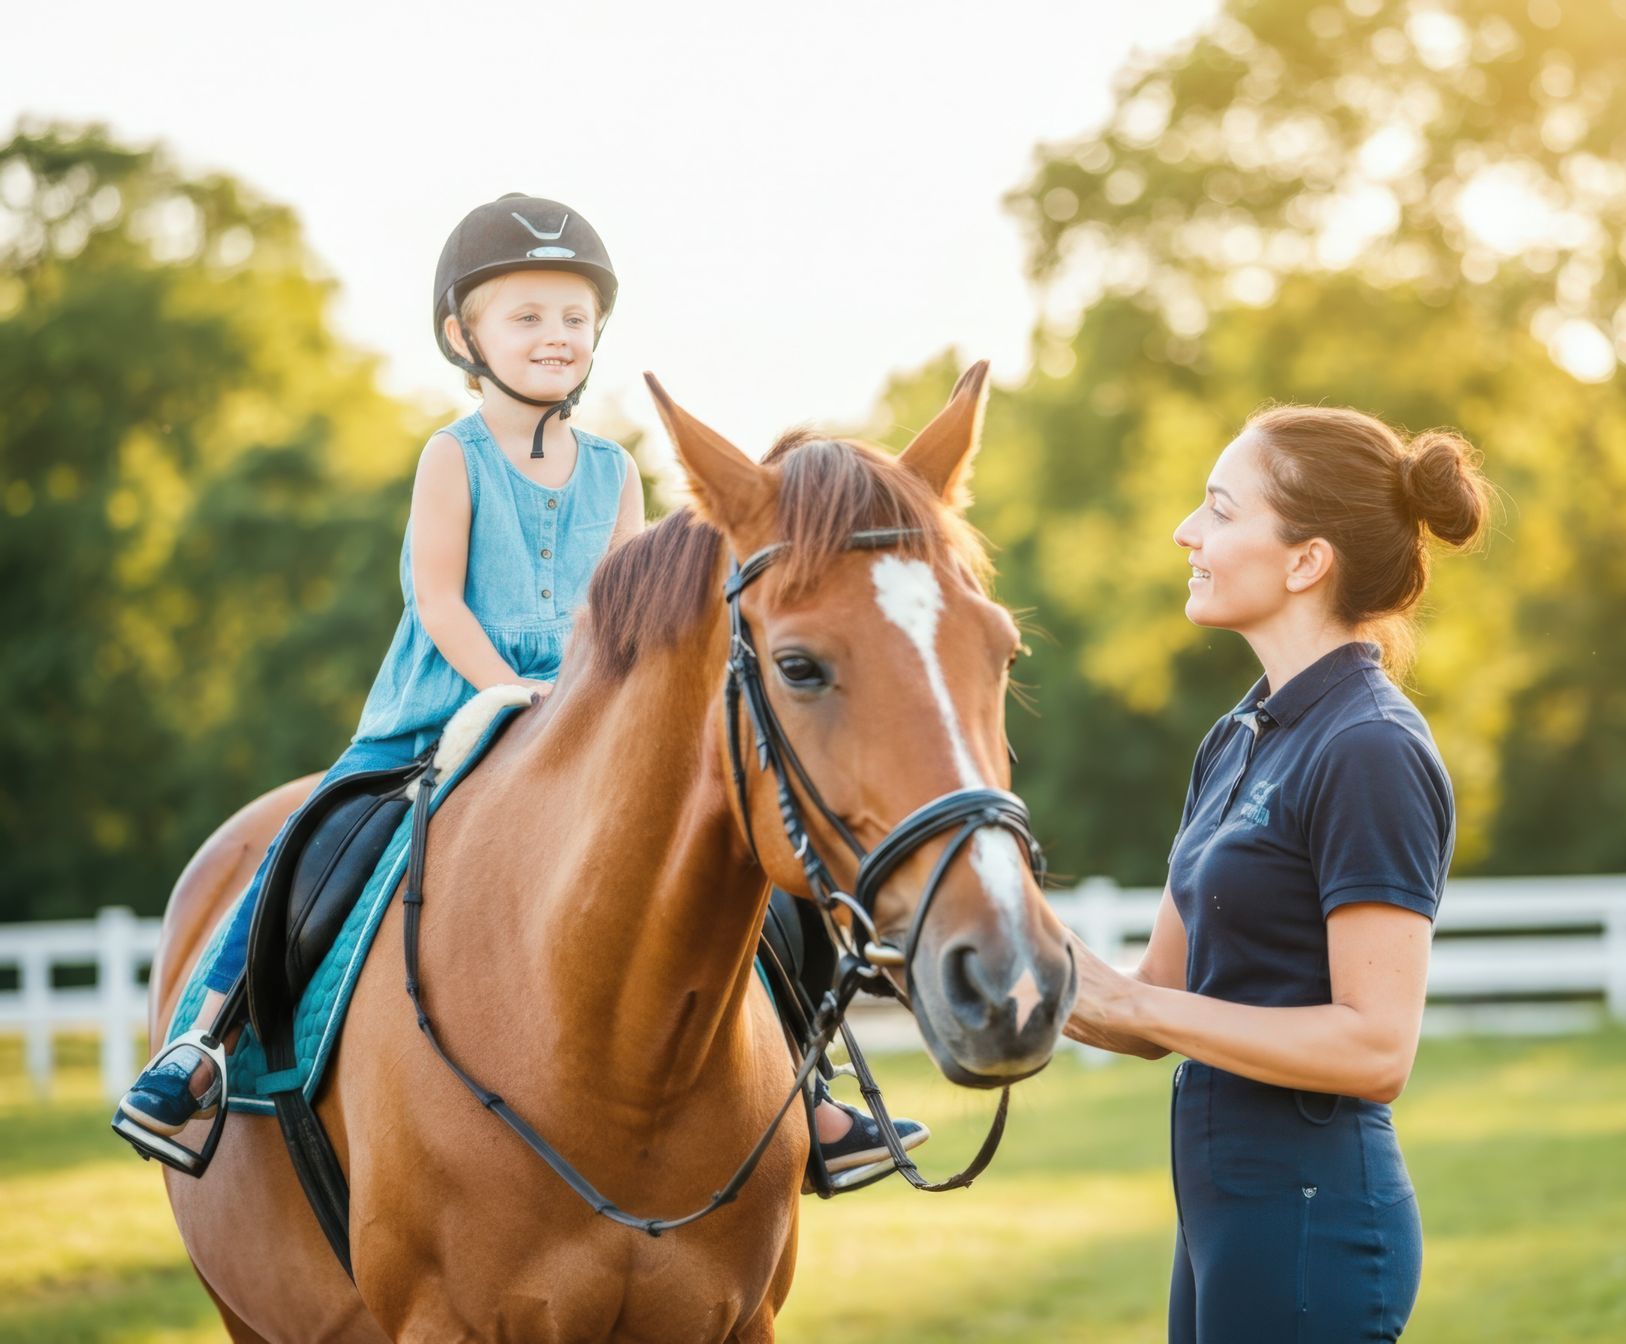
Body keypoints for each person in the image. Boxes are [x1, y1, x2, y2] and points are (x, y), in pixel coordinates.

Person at [115, 194, 923, 1183]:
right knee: (317, 841)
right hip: (436, 715)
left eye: (574, 319)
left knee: (741, 872)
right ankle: (199, 1046)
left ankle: (808, 1087)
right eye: (526, 316)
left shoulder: (614, 470)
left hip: (581, 727)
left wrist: (601, 703)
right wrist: (514, 691)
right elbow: (440, 601)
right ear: (465, 335)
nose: (555, 337)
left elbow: (638, 625)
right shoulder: (450, 458)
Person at [1064, 404, 1491, 1341]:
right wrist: (980, 950)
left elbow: (1377, 1050)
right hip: (1221, 1222)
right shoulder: (1236, 738)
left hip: (1314, 1224)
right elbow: (1152, 1003)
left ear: (1307, 561)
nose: (1187, 531)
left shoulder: (1369, 748)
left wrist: (1142, 1012)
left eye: (1219, 509)